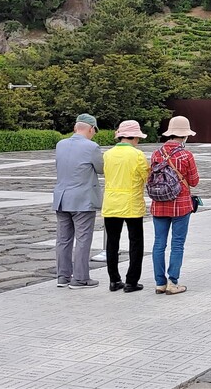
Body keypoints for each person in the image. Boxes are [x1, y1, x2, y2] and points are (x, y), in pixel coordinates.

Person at [53, 113, 103, 289]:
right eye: (94, 131)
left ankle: (63, 276)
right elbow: (101, 168)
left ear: (75, 128)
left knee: (63, 239)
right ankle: (80, 278)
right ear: (91, 129)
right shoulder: (92, 147)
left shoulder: (60, 145)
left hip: (61, 198)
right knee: (83, 239)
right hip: (83, 200)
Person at [150, 116, 199, 295]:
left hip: (159, 203)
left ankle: (159, 283)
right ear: (185, 135)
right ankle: (173, 282)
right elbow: (194, 181)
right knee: (177, 244)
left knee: (158, 244)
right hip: (181, 204)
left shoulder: (156, 153)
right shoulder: (186, 155)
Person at [102, 120, 150, 293]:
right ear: (135, 137)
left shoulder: (108, 154)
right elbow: (147, 177)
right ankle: (131, 281)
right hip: (131, 202)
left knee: (112, 243)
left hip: (111, 202)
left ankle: (114, 280)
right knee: (135, 242)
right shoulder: (137, 155)